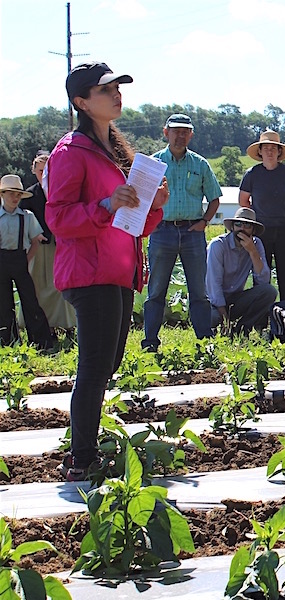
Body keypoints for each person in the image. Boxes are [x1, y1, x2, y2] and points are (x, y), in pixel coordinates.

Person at [48, 62, 168, 481]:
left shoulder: (115, 152)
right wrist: (105, 204)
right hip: (89, 273)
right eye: (105, 90)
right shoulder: (70, 152)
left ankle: (83, 449)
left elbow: (132, 226)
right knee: (95, 366)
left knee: (107, 364)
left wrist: (152, 207)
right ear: (81, 102)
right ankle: (80, 459)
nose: (116, 94)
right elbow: (58, 218)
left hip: (118, 271)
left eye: (117, 87)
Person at [142, 114, 220, 352]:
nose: (180, 136)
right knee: (156, 290)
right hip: (162, 230)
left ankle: (204, 341)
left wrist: (205, 221)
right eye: (176, 131)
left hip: (192, 231)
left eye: (185, 132)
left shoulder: (200, 164)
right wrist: (150, 223)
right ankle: (150, 343)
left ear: (191, 135)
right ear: (166, 133)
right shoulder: (154, 163)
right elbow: (141, 198)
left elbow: (214, 198)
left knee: (199, 290)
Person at [239, 130, 285, 302]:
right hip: (261, 231)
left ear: (279, 151)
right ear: (260, 151)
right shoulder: (252, 174)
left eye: (273, 148)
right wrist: (257, 217)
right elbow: (243, 200)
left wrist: (282, 214)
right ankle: (261, 314)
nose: (270, 152)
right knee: (261, 276)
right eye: (266, 148)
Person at [19, 152, 76, 333]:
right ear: (34, 171)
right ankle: (42, 325)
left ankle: (67, 324)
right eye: (40, 171)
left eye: (47, 170)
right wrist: (33, 234)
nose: (43, 174)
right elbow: (22, 218)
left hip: (62, 245)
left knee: (61, 284)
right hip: (39, 247)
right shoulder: (29, 194)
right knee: (38, 285)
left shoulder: (62, 191)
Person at [0, 174, 55, 350]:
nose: (15, 198)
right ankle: (8, 340)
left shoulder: (27, 216)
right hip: (2, 263)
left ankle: (40, 341)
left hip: (20, 260)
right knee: (3, 303)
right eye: (11, 194)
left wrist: (26, 259)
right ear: (2, 194)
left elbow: (35, 240)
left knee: (30, 300)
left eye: (18, 194)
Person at [207, 207, 277, 336]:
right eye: (238, 224)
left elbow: (263, 281)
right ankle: (219, 329)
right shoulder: (218, 245)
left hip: (235, 299)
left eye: (247, 225)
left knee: (269, 292)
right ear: (232, 227)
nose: (242, 229)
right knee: (212, 317)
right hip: (212, 302)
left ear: (253, 230)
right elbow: (213, 285)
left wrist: (252, 252)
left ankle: (242, 329)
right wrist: (224, 318)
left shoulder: (256, 244)